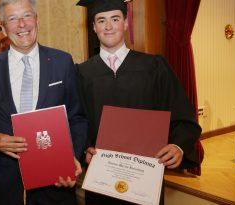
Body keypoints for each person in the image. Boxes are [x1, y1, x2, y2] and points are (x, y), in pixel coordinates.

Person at [75, 0, 202, 204]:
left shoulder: (154, 67)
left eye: (115, 19)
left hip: (145, 179)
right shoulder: (81, 73)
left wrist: (178, 146)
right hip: (102, 181)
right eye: (101, 20)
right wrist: (84, 149)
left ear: (126, 23)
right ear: (94, 27)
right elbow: (77, 121)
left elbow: (184, 117)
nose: (108, 26)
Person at [0, 0, 87, 204]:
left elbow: (77, 118)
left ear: (36, 20)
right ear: (3, 28)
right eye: (12, 19)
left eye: (27, 16)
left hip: (56, 183)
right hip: (7, 187)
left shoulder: (62, 62)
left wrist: (72, 157)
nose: (21, 24)